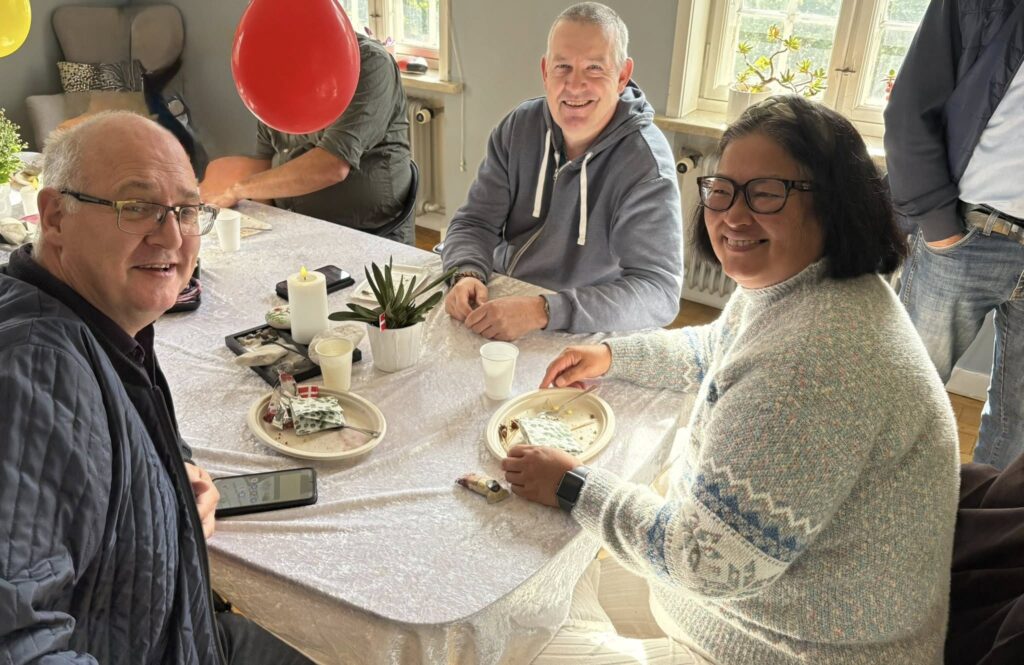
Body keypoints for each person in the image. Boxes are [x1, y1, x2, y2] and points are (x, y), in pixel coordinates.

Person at [504, 96, 960, 664]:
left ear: (832, 202)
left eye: (766, 193)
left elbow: (707, 562)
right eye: (722, 190)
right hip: (750, 610)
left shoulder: (815, 363)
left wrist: (573, 486)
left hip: (778, 650)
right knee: (539, 575)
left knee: (514, 632)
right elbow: (716, 349)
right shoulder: (812, 289)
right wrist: (612, 355)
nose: (733, 216)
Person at [0, 112, 312, 664]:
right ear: (55, 217)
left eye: (186, 210)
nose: (170, 236)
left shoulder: (97, 317)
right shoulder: (38, 375)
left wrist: (175, 469)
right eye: (137, 206)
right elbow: (18, 645)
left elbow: (114, 432)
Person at [441, 2, 683, 340]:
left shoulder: (646, 165)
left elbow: (659, 292)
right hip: (504, 300)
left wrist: (543, 310)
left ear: (622, 75)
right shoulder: (518, 127)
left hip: (588, 326)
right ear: (545, 71)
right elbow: (475, 222)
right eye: (563, 66)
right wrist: (466, 273)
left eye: (594, 68)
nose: (575, 85)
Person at [884, 1, 1024, 469]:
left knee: (1018, 431)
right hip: (966, 237)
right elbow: (909, 108)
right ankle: (866, 508)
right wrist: (940, 227)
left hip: (962, 236)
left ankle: (987, 516)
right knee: (903, 399)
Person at [203, 33, 413, 244]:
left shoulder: (369, 63)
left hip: (370, 235)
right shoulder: (276, 69)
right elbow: (265, 166)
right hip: (297, 227)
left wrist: (239, 189)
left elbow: (331, 166)